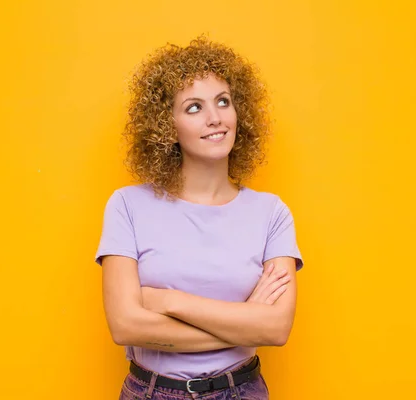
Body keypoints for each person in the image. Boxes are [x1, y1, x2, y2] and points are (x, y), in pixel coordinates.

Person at [95, 36, 304, 400]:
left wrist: (168, 302)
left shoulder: (272, 213)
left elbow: (275, 329)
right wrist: (244, 322)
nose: (215, 118)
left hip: (241, 391)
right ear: (166, 127)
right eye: (194, 107)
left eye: (223, 101)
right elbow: (125, 325)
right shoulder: (127, 205)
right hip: (152, 392)